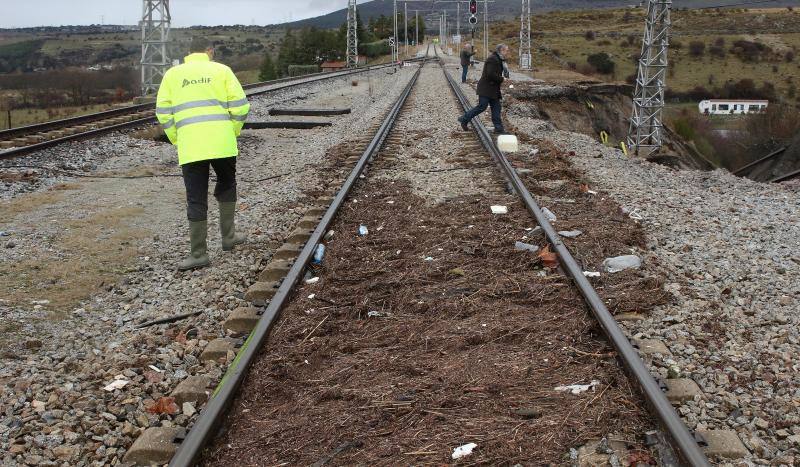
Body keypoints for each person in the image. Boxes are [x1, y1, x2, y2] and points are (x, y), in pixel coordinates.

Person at [155, 37, 250, 271]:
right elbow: (240, 106)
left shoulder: (172, 75)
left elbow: (163, 112)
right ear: (209, 51)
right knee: (227, 184)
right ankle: (229, 238)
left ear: (188, 53)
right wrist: (232, 131)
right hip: (222, 142)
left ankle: (198, 254)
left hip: (191, 146)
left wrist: (178, 138)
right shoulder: (222, 70)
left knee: (196, 196)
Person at [458, 44, 510, 134]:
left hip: (493, 89)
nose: (507, 52)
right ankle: (464, 119)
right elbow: (490, 74)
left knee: (496, 108)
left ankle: (499, 128)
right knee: (482, 106)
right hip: (486, 88)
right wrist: (502, 79)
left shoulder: (498, 59)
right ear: (501, 50)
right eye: (506, 50)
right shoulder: (492, 59)